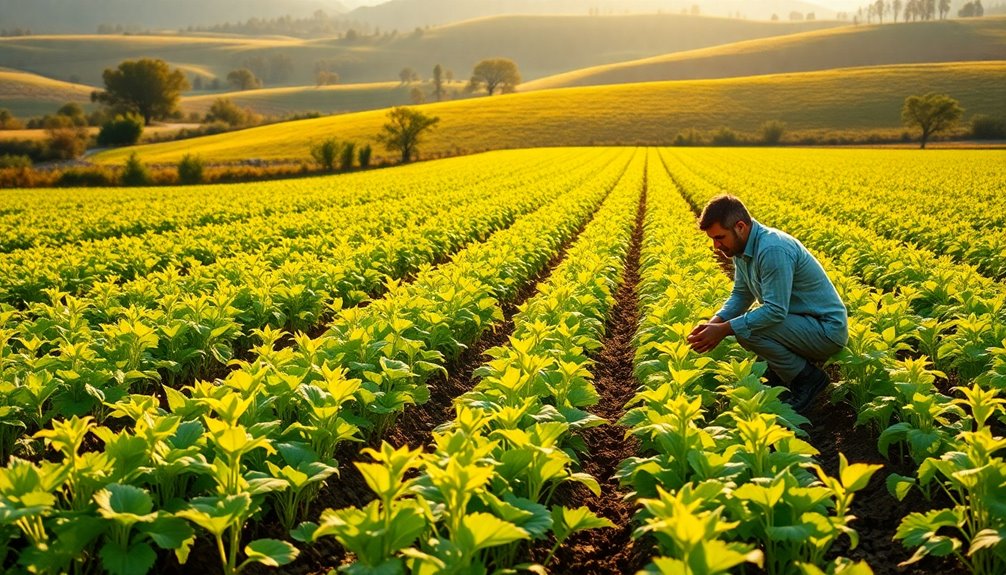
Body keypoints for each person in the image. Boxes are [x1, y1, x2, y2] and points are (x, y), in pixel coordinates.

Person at [686, 195, 848, 413]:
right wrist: (713, 324)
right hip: (801, 323)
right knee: (746, 323)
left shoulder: (772, 249)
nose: (716, 246)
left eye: (719, 237)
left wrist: (724, 330)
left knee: (747, 330)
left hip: (825, 330)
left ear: (740, 227)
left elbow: (775, 311)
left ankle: (808, 379)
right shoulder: (741, 248)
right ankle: (782, 371)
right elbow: (742, 295)